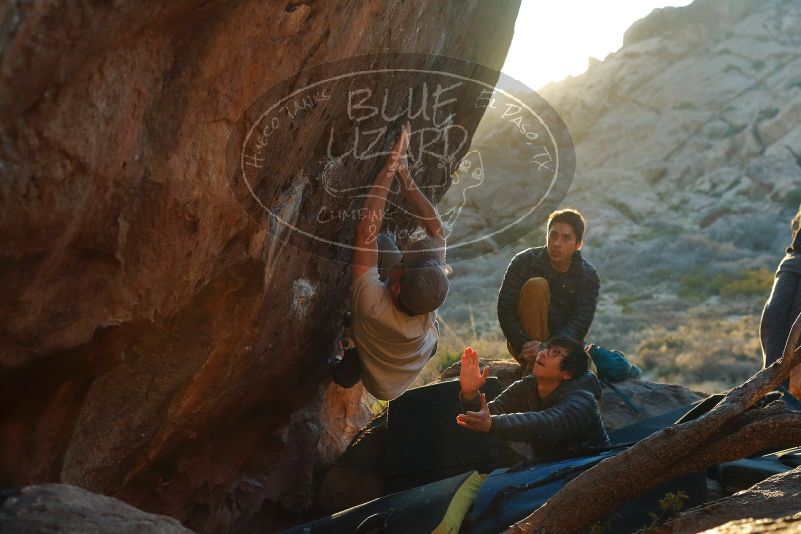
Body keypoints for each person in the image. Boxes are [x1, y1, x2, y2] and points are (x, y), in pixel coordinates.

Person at [332, 122, 451, 400]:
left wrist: (390, 165)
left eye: (402, 266)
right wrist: (404, 173)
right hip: (417, 348)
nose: (401, 260)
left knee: (349, 369)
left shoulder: (372, 305)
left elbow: (365, 233)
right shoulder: (427, 293)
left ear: (396, 286)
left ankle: (342, 365)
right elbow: (437, 232)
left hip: (382, 383)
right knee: (385, 244)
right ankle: (355, 335)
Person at [456, 337, 610, 462]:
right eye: (547, 348)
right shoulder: (528, 385)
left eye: (555, 352)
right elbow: (485, 416)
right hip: (551, 470)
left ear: (568, 373)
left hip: (589, 473)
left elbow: (548, 423)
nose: (542, 353)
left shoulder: (583, 399)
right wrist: (470, 394)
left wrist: (492, 424)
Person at [497, 209, 600, 367]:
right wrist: (525, 344)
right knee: (536, 285)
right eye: (553, 235)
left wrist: (548, 348)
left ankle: (549, 366)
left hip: (563, 347)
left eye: (566, 238)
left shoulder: (587, 275)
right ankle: (536, 367)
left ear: (578, 244)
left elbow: (579, 322)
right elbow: (505, 308)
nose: (557, 243)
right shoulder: (523, 262)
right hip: (526, 346)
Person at [760, 207, 801, 396]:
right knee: (773, 315)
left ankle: (791, 396)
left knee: (797, 323)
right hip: (796, 256)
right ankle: (771, 390)